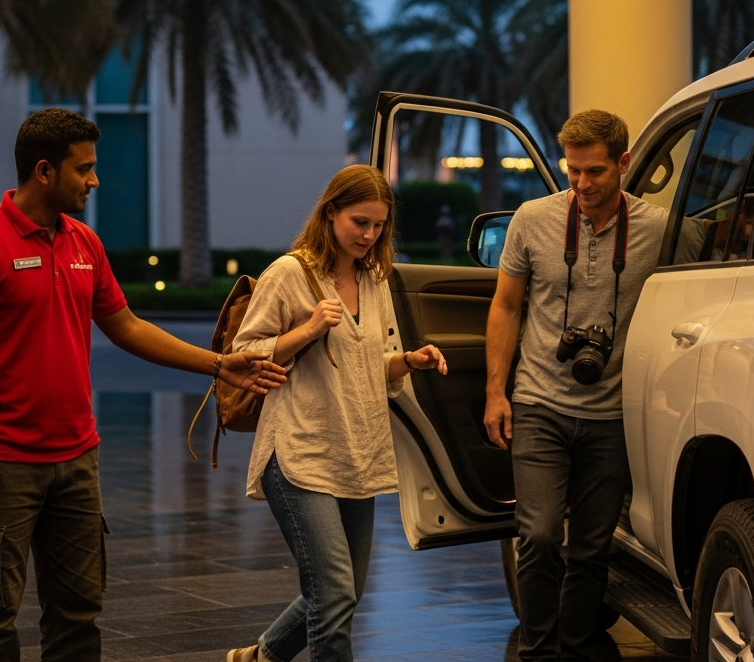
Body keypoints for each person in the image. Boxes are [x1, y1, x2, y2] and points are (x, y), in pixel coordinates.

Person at [0, 108, 287, 662]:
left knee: (78, 616)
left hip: (77, 460)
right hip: (2, 465)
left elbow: (127, 326)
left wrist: (219, 364)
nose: (95, 181)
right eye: (84, 169)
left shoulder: (84, 244)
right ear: (44, 171)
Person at [225, 165, 448, 662]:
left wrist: (408, 361)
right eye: (360, 222)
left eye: (379, 226)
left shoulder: (374, 279)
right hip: (298, 453)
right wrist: (306, 330)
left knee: (343, 591)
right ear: (330, 213)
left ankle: (261, 657)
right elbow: (243, 355)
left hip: (355, 453)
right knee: (334, 594)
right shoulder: (289, 273)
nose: (370, 235)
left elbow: (369, 365)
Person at [482, 110, 669, 661]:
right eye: (573, 171)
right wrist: (496, 392)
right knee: (539, 535)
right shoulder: (532, 219)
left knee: (591, 548)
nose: (582, 184)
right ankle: (538, 652)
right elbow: (506, 305)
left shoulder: (661, 229)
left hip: (613, 412)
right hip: (540, 402)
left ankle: (577, 643)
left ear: (624, 163)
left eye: (595, 171)